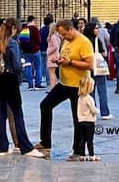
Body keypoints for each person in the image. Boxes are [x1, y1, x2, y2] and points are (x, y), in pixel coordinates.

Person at [0, 18, 44, 157]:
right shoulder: (12, 43)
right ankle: (26, 147)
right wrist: (22, 66)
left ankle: (2, 146)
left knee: (1, 114)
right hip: (9, 80)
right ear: (13, 29)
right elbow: (17, 66)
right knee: (17, 113)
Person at [38, 19, 94, 160]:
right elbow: (66, 56)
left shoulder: (84, 42)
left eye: (64, 34)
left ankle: (78, 150)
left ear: (70, 29)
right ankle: (45, 142)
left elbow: (89, 64)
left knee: (78, 118)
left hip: (78, 86)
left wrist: (70, 62)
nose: (63, 37)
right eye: (60, 35)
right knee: (45, 105)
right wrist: (61, 61)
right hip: (64, 83)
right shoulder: (67, 41)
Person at [83, 21, 112, 119]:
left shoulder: (84, 40)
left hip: (88, 67)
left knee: (90, 91)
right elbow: (103, 53)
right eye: (96, 28)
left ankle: (92, 111)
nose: (98, 30)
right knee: (102, 90)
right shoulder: (96, 40)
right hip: (97, 67)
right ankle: (105, 112)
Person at [76, 76, 99, 161]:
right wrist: (98, 111)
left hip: (81, 121)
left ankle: (82, 155)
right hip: (89, 121)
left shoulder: (80, 98)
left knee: (82, 139)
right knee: (90, 140)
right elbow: (93, 110)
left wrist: (79, 118)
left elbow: (78, 110)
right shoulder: (89, 98)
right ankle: (91, 155)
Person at [19, 15, 44, 90]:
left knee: (28, 66)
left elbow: (21, 40)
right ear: (33, 20)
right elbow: (39, 40)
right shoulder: (35, 29)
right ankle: (38, 83)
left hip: (26, 51)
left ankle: (30, 83)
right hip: (35, 50)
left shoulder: (24, 29)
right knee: (38, 66)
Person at [46, 21, 62, 90]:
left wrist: (49, 51)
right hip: (55, 55)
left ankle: (53, 88)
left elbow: (55, 46)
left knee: (51, 73)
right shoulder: (57, 36)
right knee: (53, 73)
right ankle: (54, 87)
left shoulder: (53, 36)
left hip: (52, 56)